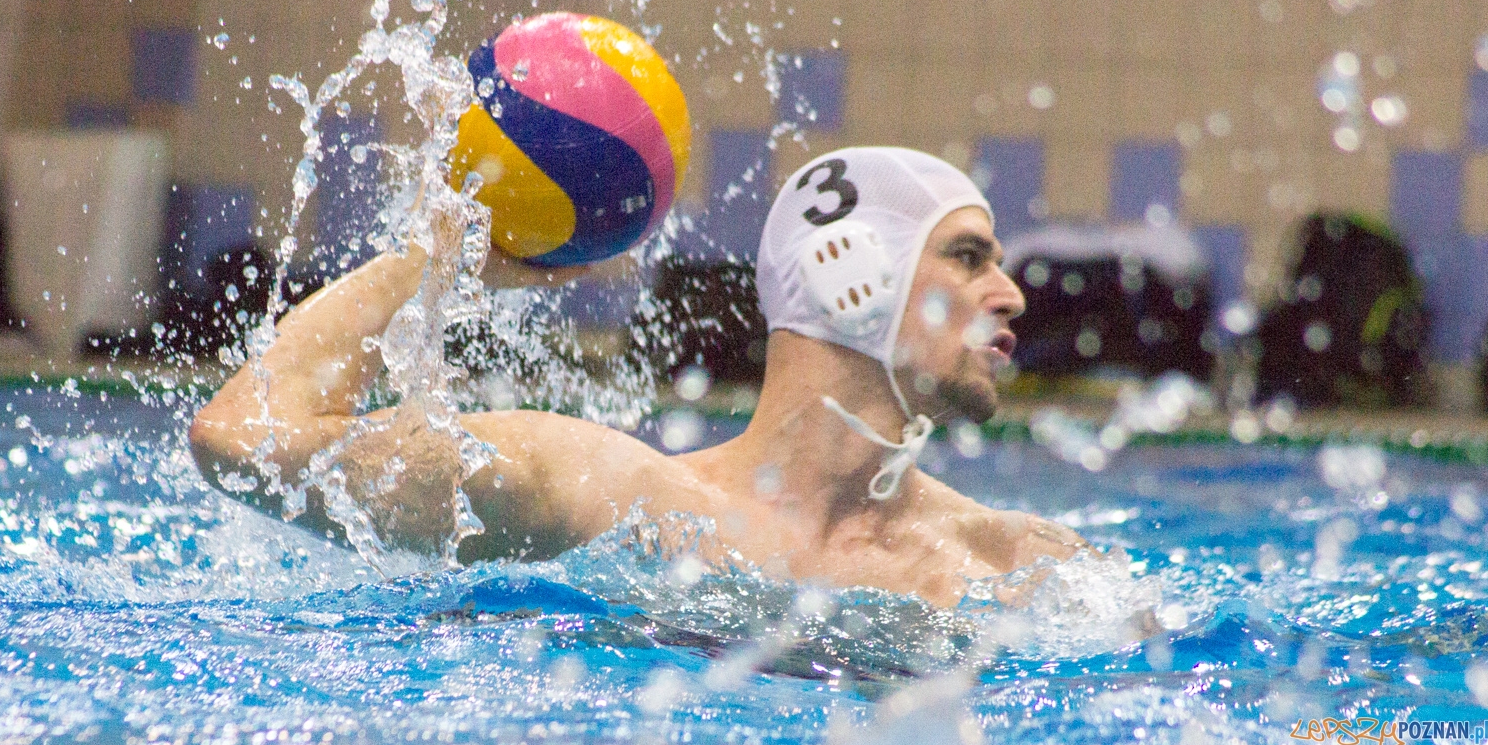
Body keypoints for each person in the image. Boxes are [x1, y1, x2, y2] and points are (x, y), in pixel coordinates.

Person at [189, 147, 1085, 606]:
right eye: (968, 257)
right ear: (849, 271)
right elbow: (241, 440)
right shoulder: (590, 491)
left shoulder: (1015, 563)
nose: (1008, 293)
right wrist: (432, 262)